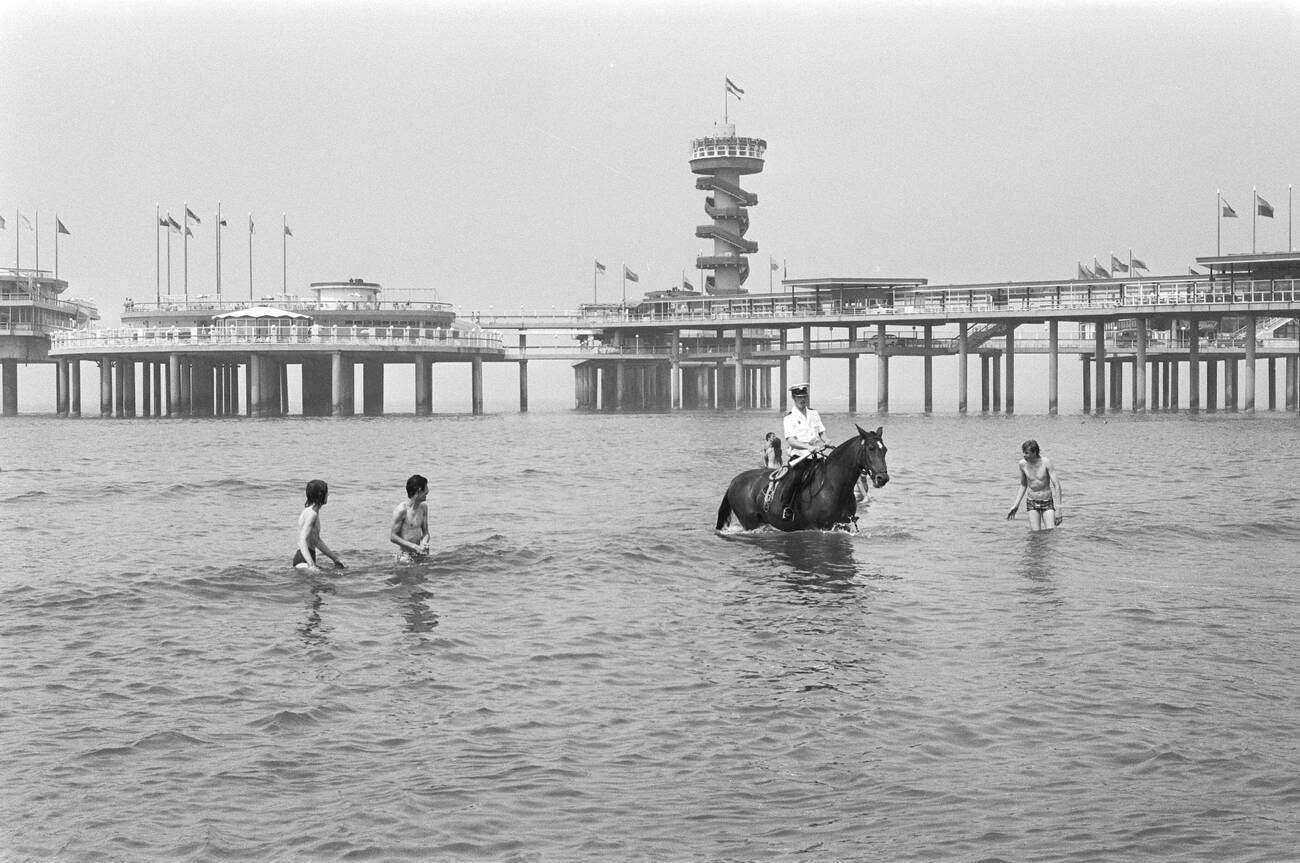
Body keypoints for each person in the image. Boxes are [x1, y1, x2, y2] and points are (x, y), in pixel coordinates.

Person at [778, 381, 834, 520]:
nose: (802, 400)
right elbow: (791, 440)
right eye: (799, 398)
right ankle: (787, 508)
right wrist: (808, 447)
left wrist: (826, 440)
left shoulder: (814, 413)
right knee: (794, 479)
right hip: (800, 457)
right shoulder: (789, 418)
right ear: (794, 398)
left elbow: (822, 432)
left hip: (817, 456)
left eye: (804, 397)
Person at [1007, 439, 1063, 531]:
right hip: (1032, 502)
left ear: (1035, 452)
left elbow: (1057, 486)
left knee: (1051, 532)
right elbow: (1023, 485)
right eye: (1023, 452)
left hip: (1047, 502)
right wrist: (1016, 505)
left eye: (1027, 453)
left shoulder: (1046, 462)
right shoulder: (1022, 464)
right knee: (1035, 535)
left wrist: (1059, 510)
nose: (1024, 455)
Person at [294, 479, 345, 572]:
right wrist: (311, 565)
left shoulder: (312, 512)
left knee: (330, 579)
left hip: (306, 557)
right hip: (303, 560)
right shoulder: (312, 514)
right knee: (331, 579)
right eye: (327, 492)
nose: (328, 495)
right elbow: (302, 539)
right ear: (320, 495)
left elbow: (316, 540)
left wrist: (335, 559)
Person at [390, 474, 430, 563]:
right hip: (405, 556)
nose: (428, 491)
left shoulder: (424, 507)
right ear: (419, 491)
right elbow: (393, 537)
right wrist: (414, 547)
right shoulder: (401, 510)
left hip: (420, 553)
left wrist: (424, 542)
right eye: (426, 489)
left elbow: (426, 532)